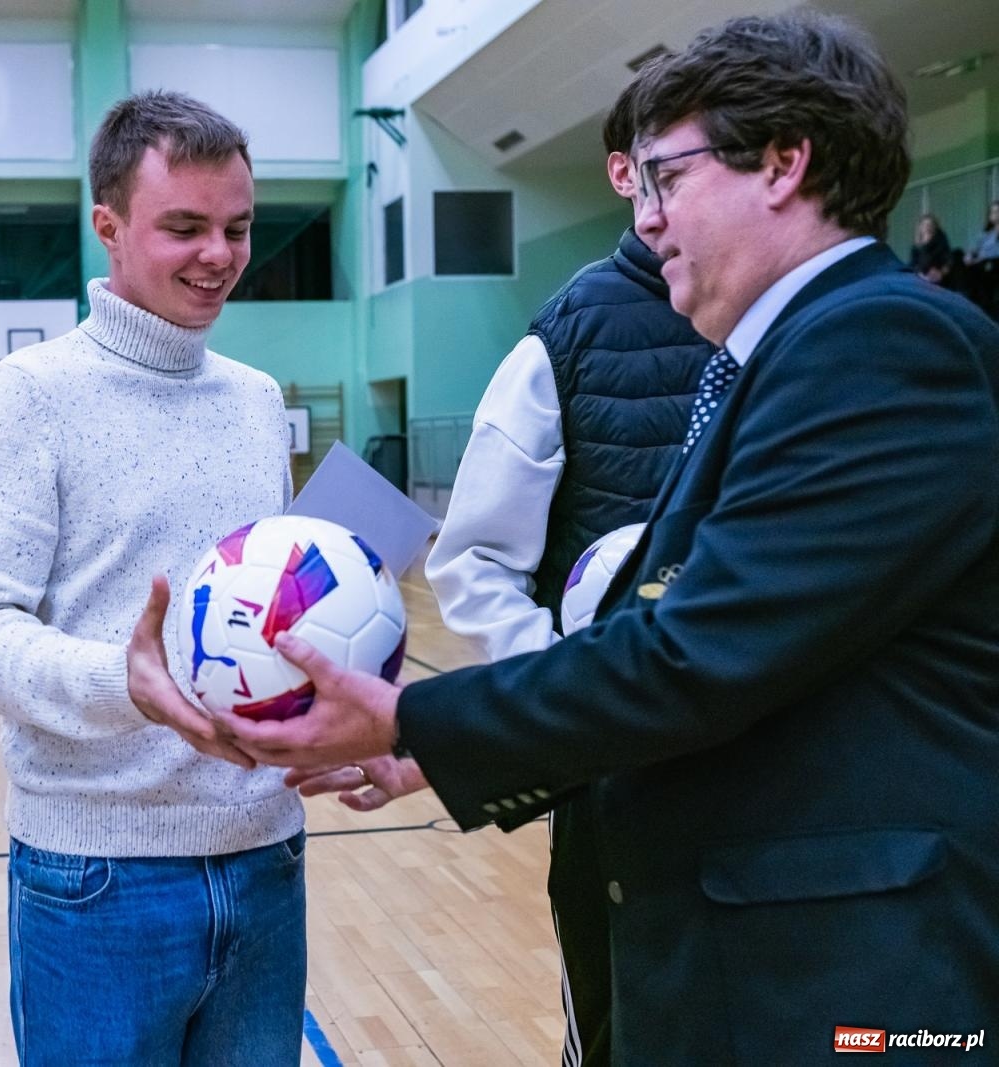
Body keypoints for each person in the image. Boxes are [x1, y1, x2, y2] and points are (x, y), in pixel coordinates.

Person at [211, 13, 999, 1063]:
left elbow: (697, 655)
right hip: (753, 949)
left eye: (667, 177)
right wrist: (451, 750)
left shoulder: (881, 345)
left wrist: (417, 720)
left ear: (783, 163)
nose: (648, 215)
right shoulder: (781, 350)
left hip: (851, 975)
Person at [294, 83, 712, 1067]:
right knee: (617, 1029)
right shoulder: (566, 335)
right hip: (613, 777)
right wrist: (562, 700)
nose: (673, 202)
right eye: (664, 171)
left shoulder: (793, 337)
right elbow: (472, 560)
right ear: (626, 176)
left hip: (772, 784)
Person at [0, 91, 305, 1066]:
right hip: (95, 878)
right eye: (184, 227)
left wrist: (325, 706)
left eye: (237, 228)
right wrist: (123, 681)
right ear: (107, 226)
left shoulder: (259, 401)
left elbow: (267, 610)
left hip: (267, 857)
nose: (219, 254)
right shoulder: (27, 398)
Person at [909, 212, 954, 286]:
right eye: (924, 225)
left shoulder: (941, 240)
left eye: (930, 225)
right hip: (921, 277)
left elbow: (949, 260)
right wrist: (920, 274)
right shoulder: (916, 246)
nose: (927, 227)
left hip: (940, 276)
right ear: (920, 228)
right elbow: (912, 264)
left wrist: (941, 273)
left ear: (935, 227)